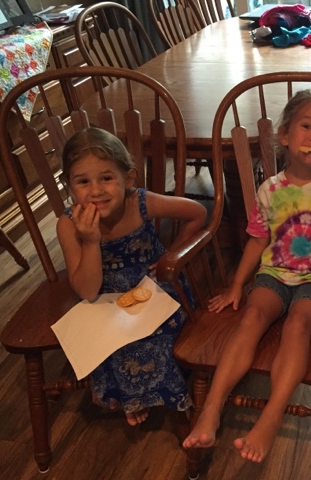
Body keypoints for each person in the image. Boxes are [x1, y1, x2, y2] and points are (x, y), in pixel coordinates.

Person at [182, 88, 311, 462]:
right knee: (252, 316)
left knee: (298, 323)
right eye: (306, 126)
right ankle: (211, 408)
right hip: (274, 274)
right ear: (284, 135)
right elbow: (257, 240)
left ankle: (271, 415)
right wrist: (237, 284)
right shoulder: (269, 190)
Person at [56, 127, 207, 426]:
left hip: (155, 285)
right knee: (105, 339)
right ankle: (130, 396)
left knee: (153, 334)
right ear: (70, 187)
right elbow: (87, 290)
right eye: (83, 181)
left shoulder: (139, 202)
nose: (96, 191)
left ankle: (148, 393)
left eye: (106, 178)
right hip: (102, 294)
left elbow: (198, 213)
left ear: (128, 178)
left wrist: (170, 255)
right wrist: (90, 241)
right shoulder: (69, 224)